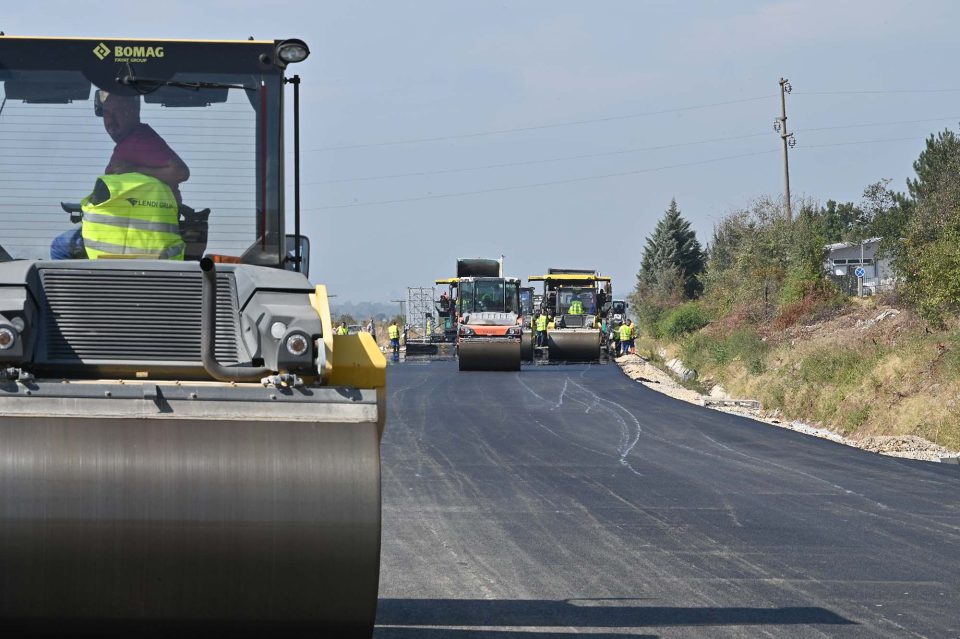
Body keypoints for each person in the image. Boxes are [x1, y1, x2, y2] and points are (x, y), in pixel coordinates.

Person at [51, 92, 190, 259]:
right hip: (128, 231)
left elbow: (180, 172)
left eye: (117, 112)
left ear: (133, 111)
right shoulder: (131, 142)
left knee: (60, 247)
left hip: (129, 233)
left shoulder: (141, 141)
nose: (110, 121)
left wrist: (135, 169)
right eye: (106, 113)